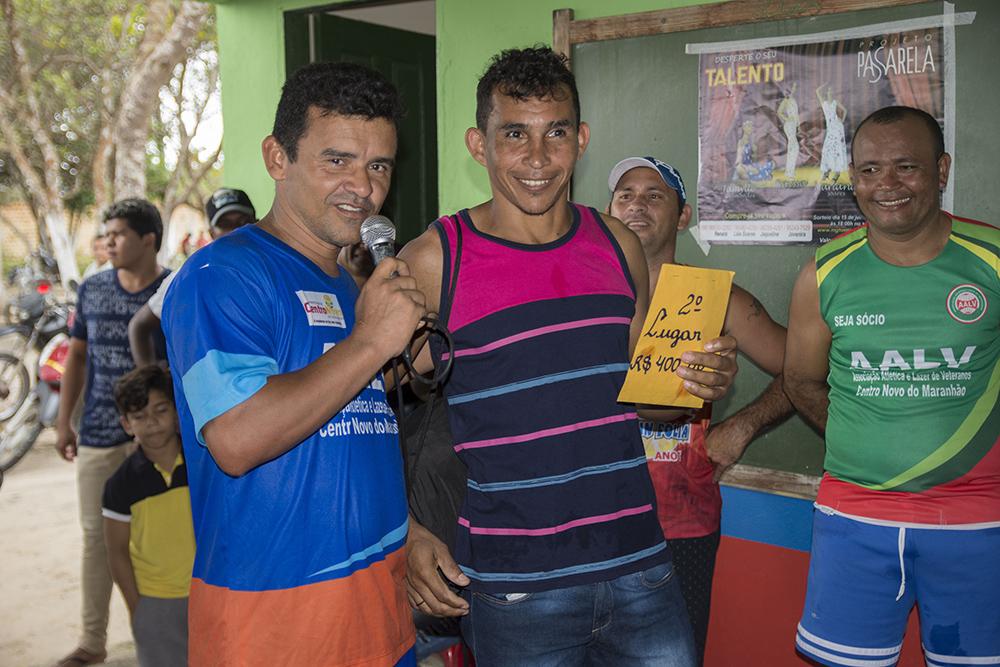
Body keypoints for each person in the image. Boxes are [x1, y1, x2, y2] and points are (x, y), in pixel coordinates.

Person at [399, 47, 738, 667]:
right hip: (513, 589)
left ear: (580, 139)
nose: (536, 158)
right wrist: (409, 530)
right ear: (479, 144)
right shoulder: (435, 260)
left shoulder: (616, 242)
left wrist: (696, 383)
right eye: (514, 135)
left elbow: (646, 402)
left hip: (641, 565)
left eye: (555, 133)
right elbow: (372, 412)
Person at [161, 62, 423, 666]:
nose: (363, 186)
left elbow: (348, 444)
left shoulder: (356, 292)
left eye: (377, 165)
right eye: (337, 160)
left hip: (377, 621)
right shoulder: (220, 276)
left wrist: (412, 531)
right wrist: (370, 344)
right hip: (276, 632)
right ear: (278, 158)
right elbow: (237, 436)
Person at [785, 106, 999, 667]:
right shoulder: (823, 274)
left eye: (906, 166)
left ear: (942, 169)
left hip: (978, 520)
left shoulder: (993, 261)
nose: (887, 185)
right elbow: (801, 380)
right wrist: (864, 439)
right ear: (852, 176)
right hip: (854, 518)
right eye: (870, 170)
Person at [607, 156, 793, 664]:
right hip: (593, 522)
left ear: (683, 215)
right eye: (625, 194)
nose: (636, 205)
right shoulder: (587, 295)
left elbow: (801, 367)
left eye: (654, 195)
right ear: (608, 210)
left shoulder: (715, 298)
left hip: (680, 526)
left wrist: (742, 425)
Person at [55, 198, 171, 667]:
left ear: (148, 240)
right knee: (96, 539)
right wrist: (65, 420)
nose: (108, 243)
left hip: (162, 438)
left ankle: (157, 635)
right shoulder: (93, 288)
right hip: (100, 433)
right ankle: (92, 641)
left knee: (162, 538)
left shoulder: (174, 288)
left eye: (118, 234)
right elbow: (77, 357)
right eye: (106, 234)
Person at [102, 365, 194, 667]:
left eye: (160, 410)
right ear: (126, 424)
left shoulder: (202, 466)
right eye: (140, 416)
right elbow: (116, 552)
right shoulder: (120, 484)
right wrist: (136, 608)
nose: (152, 423)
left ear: (177, 411)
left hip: (208, 589)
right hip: (156, 601)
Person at [128, 188, 256, 367]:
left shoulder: (277, 272)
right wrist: (151, 383)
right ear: (212, 232)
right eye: (225, 223)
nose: (235, 230)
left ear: (257, 224)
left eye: (244, 221)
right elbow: (139, 326)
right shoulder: (190, 275)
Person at [817, 84, 848, 183]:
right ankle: (826, 173)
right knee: (828, 150)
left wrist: (841, 120)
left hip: (838, 128)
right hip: (830, 128)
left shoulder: (835, 102)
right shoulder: (824, 103)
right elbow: (817, 91)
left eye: (831, 91)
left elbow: (845, 111)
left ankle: (836, 174)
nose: (830, 92)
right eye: (828, 91)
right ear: (826, 92)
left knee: (837, 149)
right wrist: (825, 85)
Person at [777, 83, 800, 180]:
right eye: (793, 87)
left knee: (792, 147)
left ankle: (789, 172)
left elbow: (796, 114)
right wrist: (787, 118)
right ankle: (789, 173)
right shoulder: (786, 100)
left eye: (795, 87)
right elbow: (779, 112)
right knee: (794, 147)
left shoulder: (793, 100)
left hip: (794, 125)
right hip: (789, 125)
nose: (794, 88)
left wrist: (798, 125)